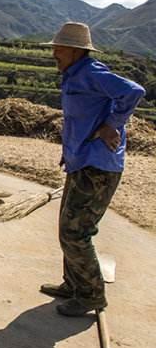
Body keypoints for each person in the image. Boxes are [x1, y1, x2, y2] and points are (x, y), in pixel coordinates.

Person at [40, 22, 145, 316]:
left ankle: (90, 296)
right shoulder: (73, 75)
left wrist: (112, 123)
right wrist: (68, 153)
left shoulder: (91, 72)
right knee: (67, 228)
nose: (54, 54)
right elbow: (78, 121)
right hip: (81, 160)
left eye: (58, 48)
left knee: (76, 232)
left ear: (75, 50)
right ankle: (72, 285)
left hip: (98, 165)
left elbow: (134, 91)